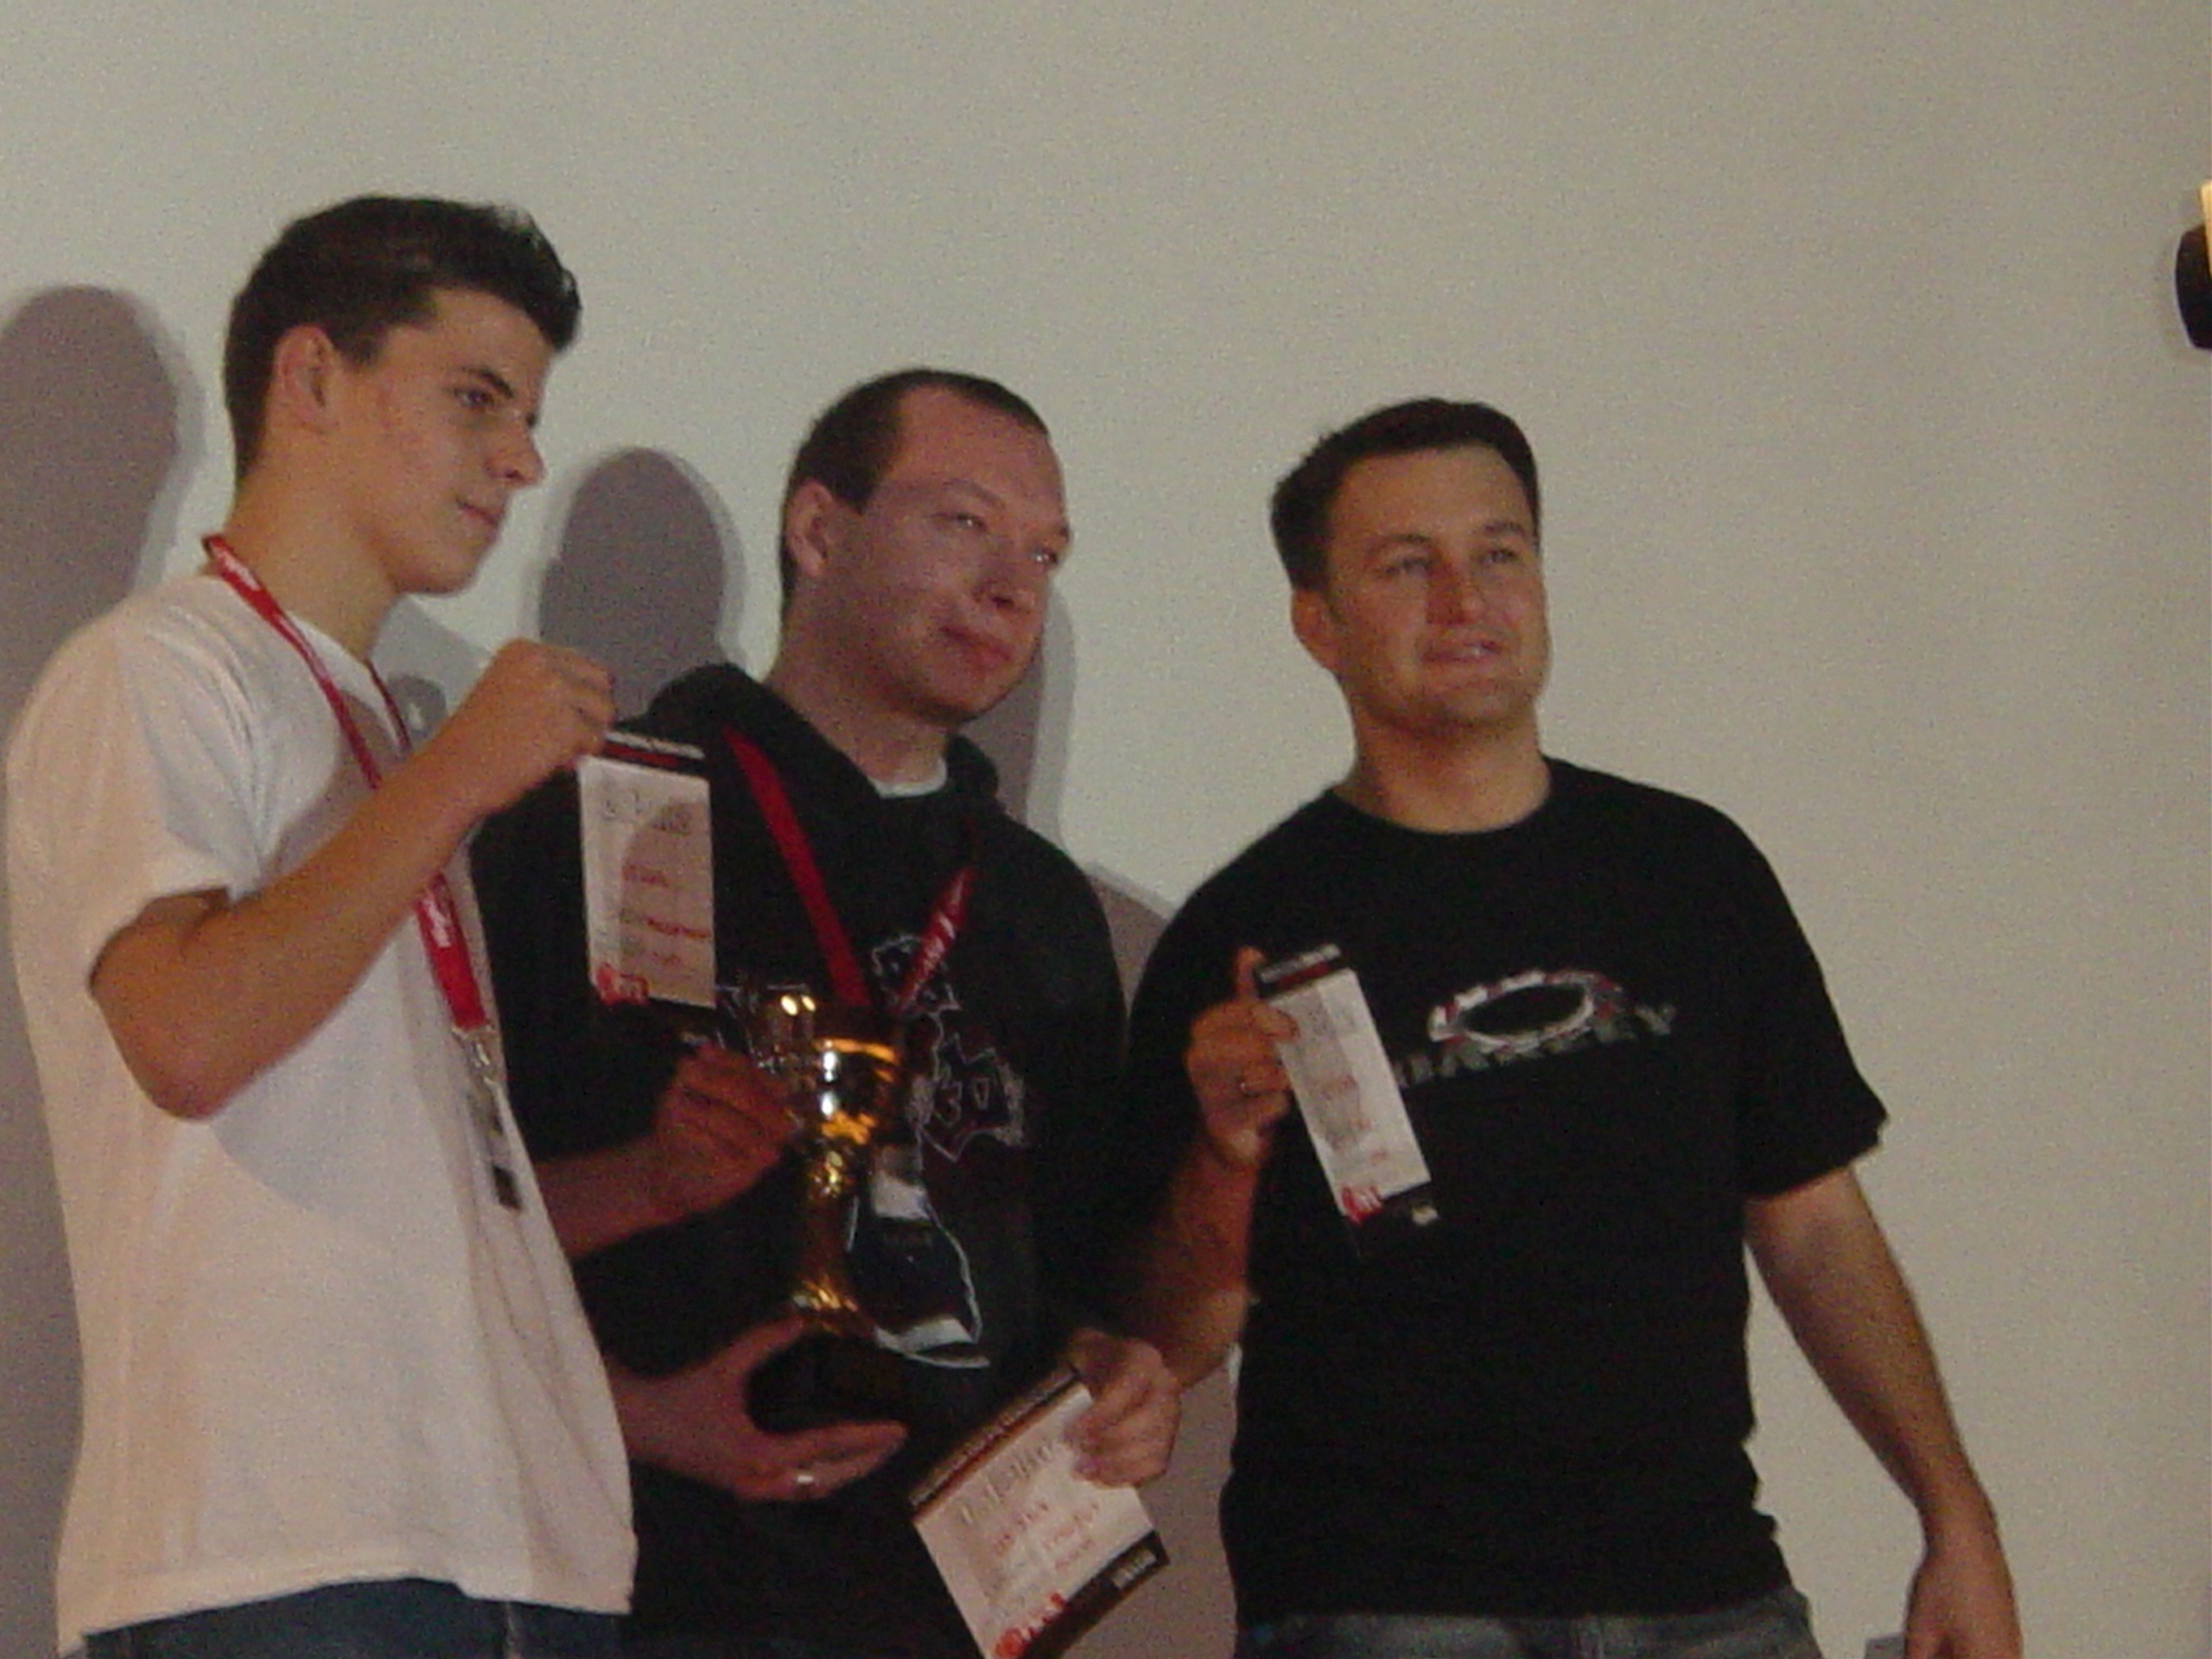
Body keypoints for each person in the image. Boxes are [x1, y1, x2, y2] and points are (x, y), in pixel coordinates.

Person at [1121, 399, 2022, 1659]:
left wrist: (1954, 1514)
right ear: (1318, 623)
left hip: (1708, 1591)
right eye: (1406, 566)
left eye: (1500, 553)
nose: (1465, 600)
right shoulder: (1249, 931)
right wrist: (1225, 1156)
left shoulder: (1690, 872)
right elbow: (1167, 1338)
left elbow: (1815, 1225)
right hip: (1386, 1607)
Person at [3, 197, 637, 1658]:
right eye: (474, 399)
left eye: (529, 418)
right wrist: (458, 777)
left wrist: (657, 1190)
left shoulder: (378, 731)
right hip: (282, 1549)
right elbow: (186, 1035)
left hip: (512, 1554)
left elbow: (404, 1173)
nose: (521, 461)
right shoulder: (155, 669)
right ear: (311, 379)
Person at [474, 367, 1178, 1659]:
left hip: (953, 1609)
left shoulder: (1038, 906)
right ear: (817, 528)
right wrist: (635, 1404)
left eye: (1045, 554)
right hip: (655, 1591)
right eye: (965, 523)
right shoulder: (606, 817)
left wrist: (1120, 1369)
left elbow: (1080, 1273)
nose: (1013, 587)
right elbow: (452, 1212)